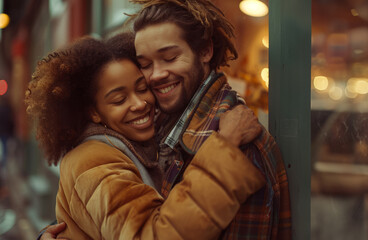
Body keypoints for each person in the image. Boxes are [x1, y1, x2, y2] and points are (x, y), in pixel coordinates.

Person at [43, 0, 292, 239]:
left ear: (205, 51)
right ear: (93, 111)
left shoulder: (240, 146)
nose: (157, 75)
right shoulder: (161, 133)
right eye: (146, 64)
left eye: (170, 58)